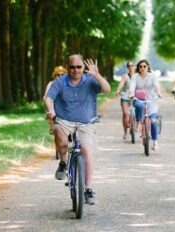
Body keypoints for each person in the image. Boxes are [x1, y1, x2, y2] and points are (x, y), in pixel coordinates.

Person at [44, 54, 111, 205]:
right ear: (67, 68)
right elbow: (48, 99)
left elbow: (107, 89)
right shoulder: (59, 82)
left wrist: (97, 75)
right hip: (64, 121)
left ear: (83, 67)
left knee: (87, 151)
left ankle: (88, 189)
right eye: (72, 67)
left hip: (86, 123)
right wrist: (51, 111)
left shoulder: (91, 80)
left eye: (79, 67)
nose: (76, 70)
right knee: (60, 136)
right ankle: (63, 163)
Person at [128, 59, 162, 150]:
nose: (142, 68)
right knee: (139, 105)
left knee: (153, 121)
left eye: (144, 66)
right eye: (140, 66)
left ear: (148, 67)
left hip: (151, 100)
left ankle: (155, 142)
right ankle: (138, 122)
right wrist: (131, 93)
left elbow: (156, 85)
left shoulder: (152, 76)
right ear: (138, 68)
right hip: (138, 99)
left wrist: (158, 93)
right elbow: (132, 85)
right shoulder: (135, 76)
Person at [44, 66, 67, 134]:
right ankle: (52, 123)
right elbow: (46, 96)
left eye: (62, 74)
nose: (60, 76)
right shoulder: (51, 83)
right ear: (55, 76)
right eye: (58, 74)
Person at [115, 61, 135, 140]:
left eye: (132, 65)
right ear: (127, 67)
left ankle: (133, 127)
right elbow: (121, 83)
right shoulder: (125, 76)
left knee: (134, 114)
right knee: (126, 114)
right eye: (129, 66)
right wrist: (118, 90)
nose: (130, 67)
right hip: (125, 96)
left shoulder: (137, 76)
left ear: (134, 66)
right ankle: (125, 132)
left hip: (134, 97)